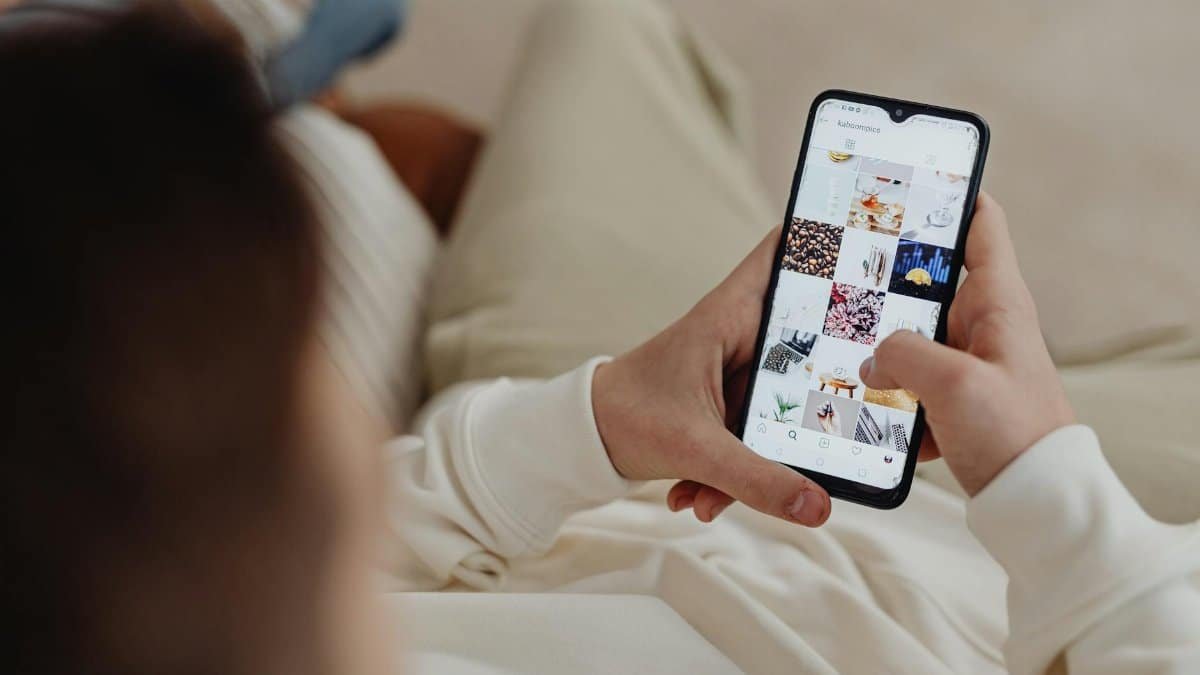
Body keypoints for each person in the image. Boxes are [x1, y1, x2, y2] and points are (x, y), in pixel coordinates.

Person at [3, 3, 1198, 675]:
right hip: (1080, 592)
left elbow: (395, 515)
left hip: (629, 478)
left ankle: (283, 80)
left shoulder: (169, 606)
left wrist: (598, 418)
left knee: (603, 19)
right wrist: (1049, 482)